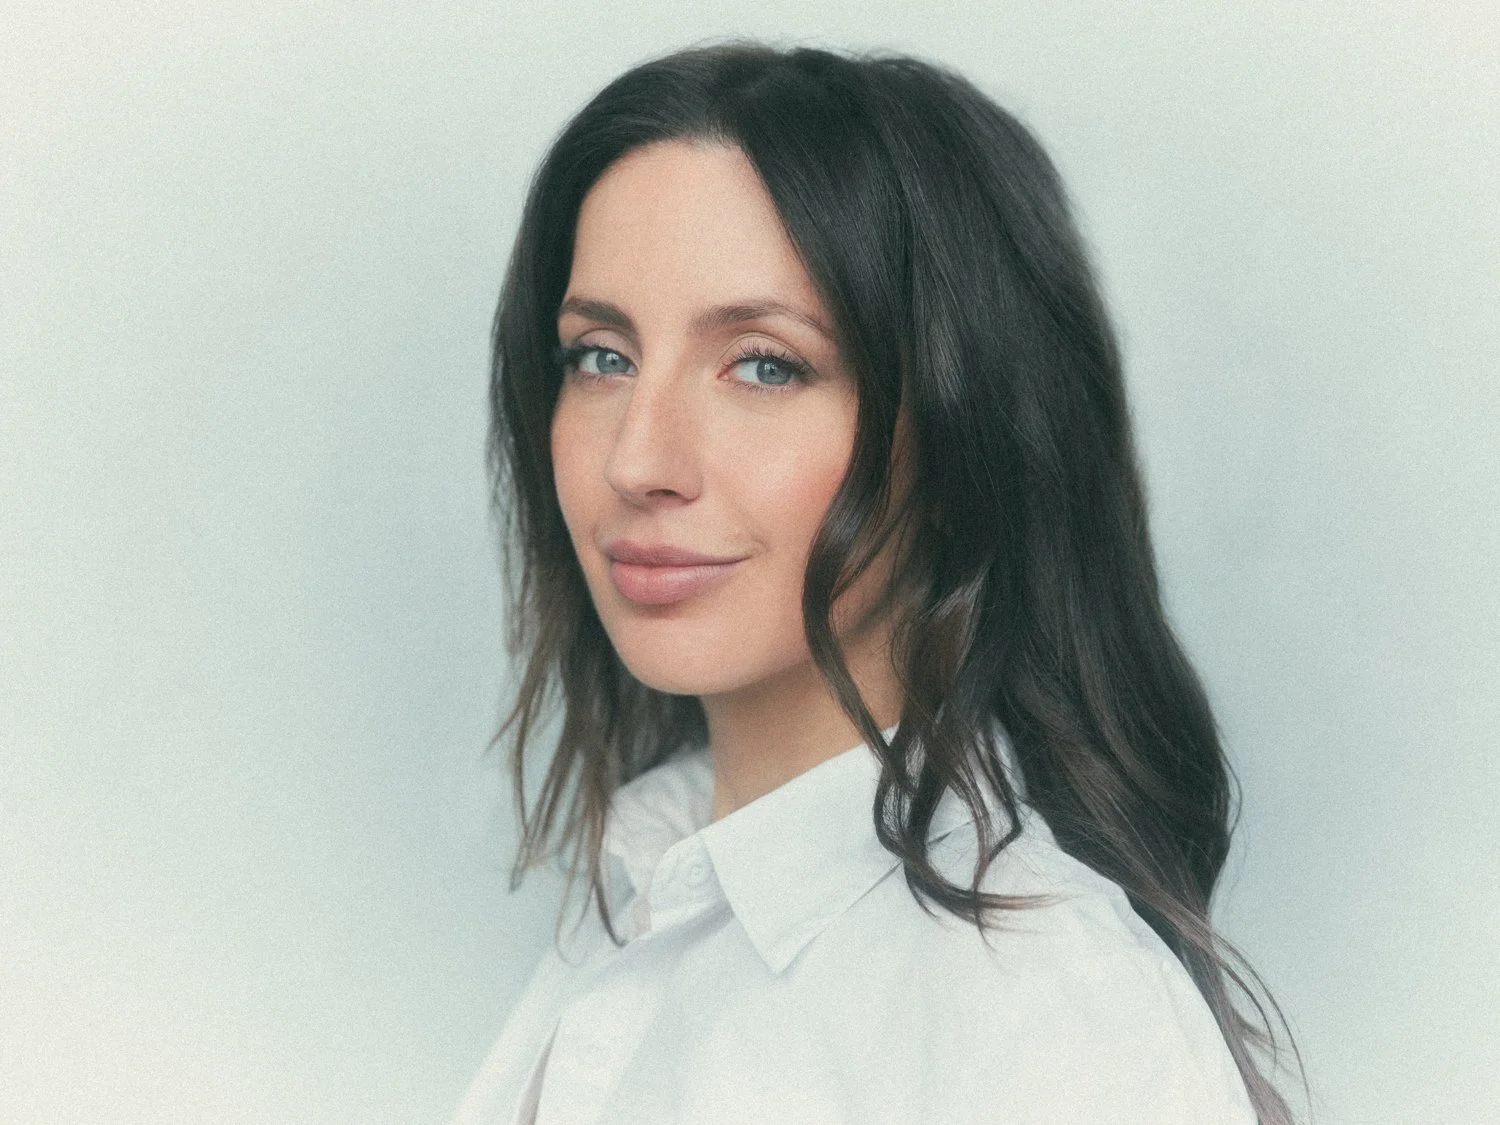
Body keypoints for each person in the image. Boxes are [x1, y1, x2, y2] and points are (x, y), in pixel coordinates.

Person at [454, 42, 1297, 1125]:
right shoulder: (642, 887)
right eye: (601, 357)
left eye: (766, 364)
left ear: (961, 438)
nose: (636, 462)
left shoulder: (1040, 1012)